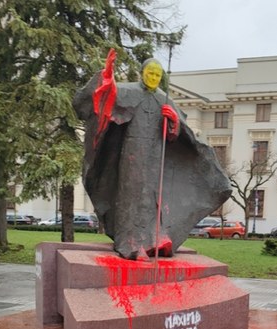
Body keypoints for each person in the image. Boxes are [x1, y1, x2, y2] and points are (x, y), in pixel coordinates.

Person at [74, 50, 231, 260]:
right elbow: (105, 100)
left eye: (158, 75)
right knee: (130, 196)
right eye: (151, 73)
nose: (154, 78)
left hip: (157, 155)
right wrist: (107, 75)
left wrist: (173, 121)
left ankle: (153, 239)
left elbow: (178, 136)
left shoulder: (163, 99)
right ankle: (128, 243)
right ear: (142, 73)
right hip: (132, 153)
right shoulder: (128, 91)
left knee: (154, 197)